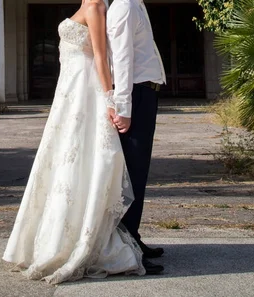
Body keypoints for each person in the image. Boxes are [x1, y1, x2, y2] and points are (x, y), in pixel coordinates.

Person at [2, 0, 162, 285]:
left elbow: (104, 57)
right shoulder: (94, 5)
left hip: (85, 92)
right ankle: (124, 241)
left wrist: (112, 100)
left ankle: (128, 241)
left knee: (106, 167)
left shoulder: (101, 6)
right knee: (72, 164)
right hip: (73, 93)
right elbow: (112, 56)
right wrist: (117, 103)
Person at [107, 0, 167, 261]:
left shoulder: (135, 5)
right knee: (133, 171)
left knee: (138, 172)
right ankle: (126, 246)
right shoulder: (125, 7)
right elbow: (121, 59)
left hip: (145, 94)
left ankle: (132, 238)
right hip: (137, 95)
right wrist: (124, 108)